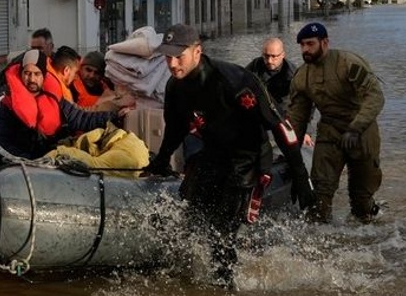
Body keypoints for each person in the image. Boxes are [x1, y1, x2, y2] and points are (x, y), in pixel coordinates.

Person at [146, 24, 315, 287]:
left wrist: (301, 177)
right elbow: (175, 130)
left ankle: (225, 286)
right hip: (213, 152)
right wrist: (159, 161)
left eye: (179, 56)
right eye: (167, 56)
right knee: (190, 213)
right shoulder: (175, 87)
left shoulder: (233, 80)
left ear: (197, 52)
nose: (172, 63)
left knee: (221, 230)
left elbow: (280, 126)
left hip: (247, 158)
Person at [287, 22, 384, 224]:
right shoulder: (302, 76)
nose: (305, 49)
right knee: (319, 197)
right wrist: (290, 150)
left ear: (325, 42)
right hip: (329, 132)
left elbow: (375, 97)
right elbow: (297, 117)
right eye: (302, 45)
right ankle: (322, 243)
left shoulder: (347, 63)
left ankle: (369, 229)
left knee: (361, 201)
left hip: (361, 130)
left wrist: (355, 128)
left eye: (310, 44)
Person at [0, 48, 126, 165]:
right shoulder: (4, 103)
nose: (32, 79)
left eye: (37, 74)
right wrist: (28, 162)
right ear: (20, 74)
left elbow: (81, 118)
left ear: (44, 76)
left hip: (46, 164)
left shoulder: (54, 99)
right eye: (27, 73)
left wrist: (115, 116)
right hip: (15, 166)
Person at [245, 37, 296, 113]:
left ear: (283, 55)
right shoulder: (256, 64)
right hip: (257, 106)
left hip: (281, 111)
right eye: (266, 56)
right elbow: (241, 80)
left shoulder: (291, 74)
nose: (269, 61)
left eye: (274, 56)